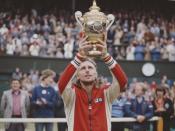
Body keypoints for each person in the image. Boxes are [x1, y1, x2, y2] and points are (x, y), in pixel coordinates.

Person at [58, 35, 128, 131]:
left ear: (96, 74)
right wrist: (79, 57)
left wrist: (106, 56)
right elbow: (62, 84)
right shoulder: (71, 94)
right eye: (83, 68)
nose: (87, 71)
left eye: (90, 68)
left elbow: (122, 81)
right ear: (77, 75)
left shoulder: (106, 92)